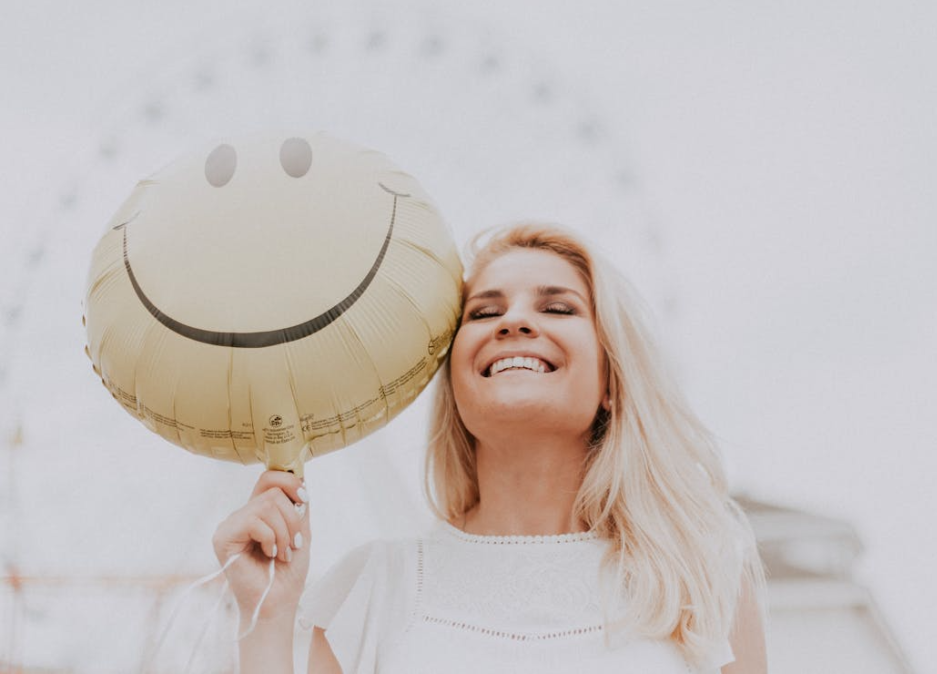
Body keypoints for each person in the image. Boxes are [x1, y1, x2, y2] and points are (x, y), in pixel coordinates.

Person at [213, 223, 768, 673]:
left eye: (557, 309)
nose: (515, 321)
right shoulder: (377, 590)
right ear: (454, 385)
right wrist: (264, 616)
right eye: (484, 313)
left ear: (611, 384)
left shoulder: (700, 574)